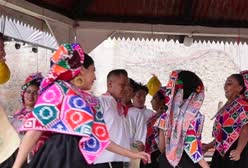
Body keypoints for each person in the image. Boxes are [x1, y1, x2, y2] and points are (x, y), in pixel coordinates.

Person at [12, 43, 150, 168]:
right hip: (57, 157)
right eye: (93, 70)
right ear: (82, 70)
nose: (95, 77)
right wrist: (17, 166)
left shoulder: (89, 100)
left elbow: (102, 139)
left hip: (79, 158)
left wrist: (132, 155)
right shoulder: (58, 91)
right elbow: (35, 130)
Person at [157, 70, 209, 168]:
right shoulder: (193, 116)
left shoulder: (165, 115)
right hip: (188, 162)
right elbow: (192, 147)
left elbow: (161, 146)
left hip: (167, 162)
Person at [204, 73, 248, 168]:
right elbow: (222, 134)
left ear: (240, 88)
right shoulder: (226, 107)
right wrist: (208, 146)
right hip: (221, 153)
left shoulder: (242, 105)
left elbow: (244, 130)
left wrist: (239, 150)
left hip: (237, 153)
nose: (225, 86)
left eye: (229, 83)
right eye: (225, 83)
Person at [93, 69, 134, 168]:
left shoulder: (119, 106)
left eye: (127, 86)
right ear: (110, 84)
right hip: (105, 160)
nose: (125, 89)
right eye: (122, 85)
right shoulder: (101, 101)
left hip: (118, 159)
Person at [142, 87, 167, 168]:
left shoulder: (163, 118)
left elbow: (161, 145)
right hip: (151, 156)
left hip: (157, 157)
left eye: (154, 98)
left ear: (163, 101)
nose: (151, 101)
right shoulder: (156, 116)